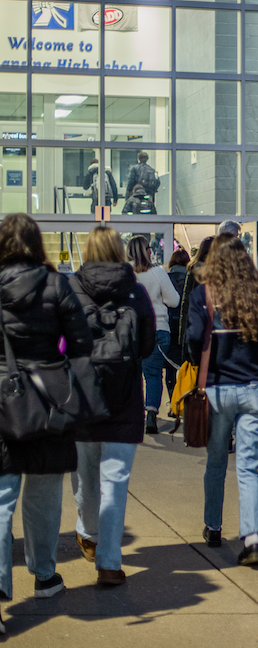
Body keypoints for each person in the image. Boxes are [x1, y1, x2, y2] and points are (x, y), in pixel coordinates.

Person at [0, 214, 94, 628]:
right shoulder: (57, 284)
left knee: (1, 499)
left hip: (1, 400)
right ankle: (44, 576)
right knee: (44, 493)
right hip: (47, 400)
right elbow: (81, 344)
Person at [68, 226, 156, 586]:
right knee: (115, 480)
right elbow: (146, 346)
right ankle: (108, 561)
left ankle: (88, 533)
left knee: (85, 474)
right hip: (125, 396)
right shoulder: (135, 290)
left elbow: (60, 341)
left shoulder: (71, 288)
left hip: (82, 395)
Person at [189, 234, 258, 567]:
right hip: (255, 387)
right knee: (248, 468)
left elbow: (194, 338)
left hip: (218, 388)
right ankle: (252, 538)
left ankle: (213, 526)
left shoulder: (205, 294)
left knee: (216, 462)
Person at [127, 236, 179, 435]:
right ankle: (151, 415)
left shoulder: (125, 273)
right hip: (158, 328)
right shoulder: (158, 272)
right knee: (153, 374)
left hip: (131, 330)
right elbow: (173, 301)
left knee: (133, 374)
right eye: (149, 247)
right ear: (145, 250)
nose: (151, 250)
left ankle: (134, 415)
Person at [164, 248, 190, 408]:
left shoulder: (166, 278)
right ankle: (185, 400)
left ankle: (173, 401)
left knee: (170, 366)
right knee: (187, 364)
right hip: (186, 326)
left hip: (169, 326)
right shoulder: (191, 279)